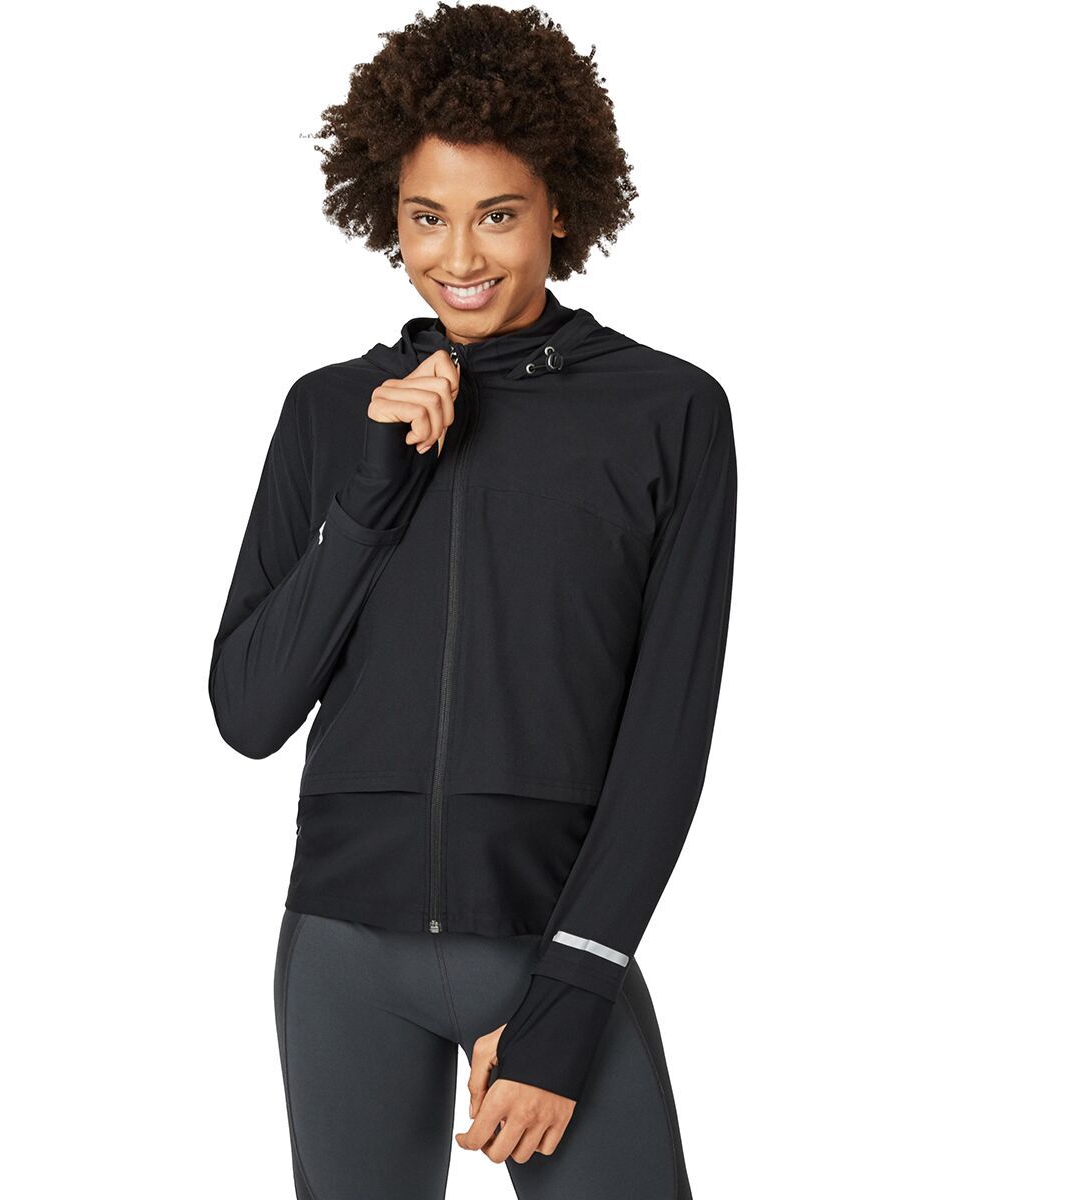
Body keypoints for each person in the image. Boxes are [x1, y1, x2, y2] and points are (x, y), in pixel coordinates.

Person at [208, 5, 737, 1197]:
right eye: (424, 216)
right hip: (341, 955)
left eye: (497, 214)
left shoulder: (667, 414)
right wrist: (371, 495)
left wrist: (570, 996)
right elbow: (248, 710)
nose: (458, 256)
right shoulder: (329, 411)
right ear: (383, 212)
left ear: (560, 208)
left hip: (549, 941)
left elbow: (667, 741)